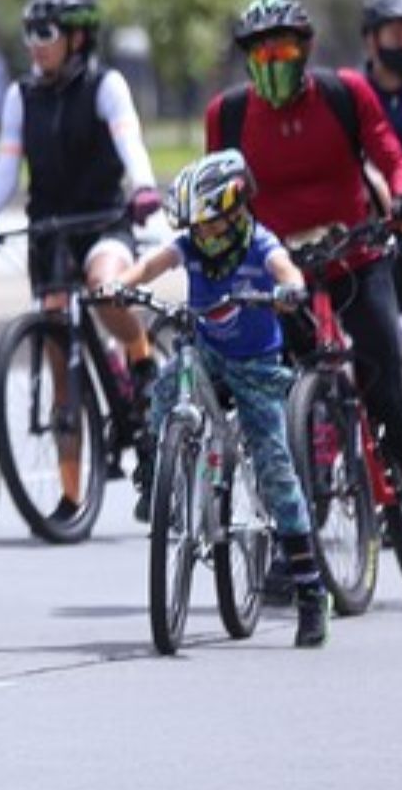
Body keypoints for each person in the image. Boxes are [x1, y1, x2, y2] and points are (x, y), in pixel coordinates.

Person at [209, 0, 402, 539]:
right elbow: (218, 193)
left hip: (356, 253)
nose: (272, 62)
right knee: (276, 398)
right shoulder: (228, 115)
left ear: (305, 49)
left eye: (283, 49)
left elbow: (391, 157)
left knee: (384, 381)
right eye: (260, 53)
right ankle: (292, 543)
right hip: (281, 268)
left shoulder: (345, 93)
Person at [101, 151, 328, 646]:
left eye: (209, 226)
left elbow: (286, 269)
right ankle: (156, 475)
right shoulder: (190, 246)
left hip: (258, 370)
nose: (201, 236)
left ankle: (310, 589)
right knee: (164, 388)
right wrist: (121, 284)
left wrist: (290, 289)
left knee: (274, 464)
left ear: (236, 212)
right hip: (209, 355)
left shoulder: (260, 245)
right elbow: (150, 264)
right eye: (195, 229)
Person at [0, 0, 163, 524]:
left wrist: (145, 186)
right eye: (29, 34)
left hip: (102, 220)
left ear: (77, 38)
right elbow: (7, 171)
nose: (34, 45)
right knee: (61, 365)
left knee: (105, 289)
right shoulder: (20, 95)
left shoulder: (107, 85)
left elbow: (131, 141)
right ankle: (70, 495)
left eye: (45, 34)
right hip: (48, 231)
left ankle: (142, 360)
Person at [359, 0, 402, 368]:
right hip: (381, 226)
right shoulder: (352, 94)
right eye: (396, 33)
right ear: (371, 39)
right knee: (397, 334)